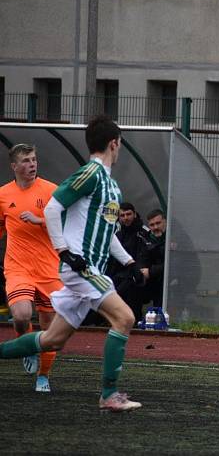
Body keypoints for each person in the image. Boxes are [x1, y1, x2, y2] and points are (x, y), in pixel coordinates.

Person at [0, 115, 143, 412]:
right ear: (113, 143)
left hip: (90, 269)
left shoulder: (110, 186)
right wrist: (65, 252)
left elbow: (106, 230)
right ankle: (109, 394)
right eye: (120, 145)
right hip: (81, 268)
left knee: (53, 339)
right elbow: (53, 208)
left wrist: (129, 263)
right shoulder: (90, 173)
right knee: (125, 318)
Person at [0, 144, 62, 392]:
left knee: (50, 330)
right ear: (14, 166)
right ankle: (24, 344)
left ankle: (43, 376)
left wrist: (40, 220)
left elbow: (66, 222)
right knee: (22, 316)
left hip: (49, 269)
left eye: (34, 159)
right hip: (18, 268)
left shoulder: (51, 191)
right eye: (26, 161)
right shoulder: (3, 195)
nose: (32, 165)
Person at [83, 202, 149, 326]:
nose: (126, 218)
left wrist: (137, 270)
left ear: (134, 214)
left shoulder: (143, 233)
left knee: (122, 290)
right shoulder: (117, 233)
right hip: (118, 274)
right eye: (122, 215)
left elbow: (143, 256)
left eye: (128, 214)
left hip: (134, 275)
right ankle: (99, 320)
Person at [130, 209, 166, 323]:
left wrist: (151, 271)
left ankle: (161, 321)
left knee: (161, 290)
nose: (155, 227)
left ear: (165, 221)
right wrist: (142, 272)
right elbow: (141, 258)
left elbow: (176, 263)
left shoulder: (176, 237)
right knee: (131, 288)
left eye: (158, 223)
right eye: (152, 225)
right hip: (152, 279)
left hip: (171, 280)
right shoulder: (146, 238)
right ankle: (135, 323)